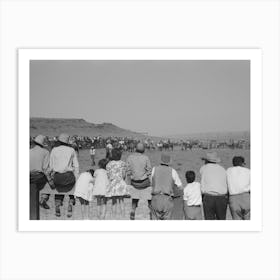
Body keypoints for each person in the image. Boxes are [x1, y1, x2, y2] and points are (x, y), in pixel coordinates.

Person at [49, 133, 79, 218]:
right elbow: (76, 165)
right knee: (72, 187)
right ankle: (70, 203)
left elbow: (51, 166)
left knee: (59, 188)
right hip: (69, 177)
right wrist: (76, 177)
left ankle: (57, 205)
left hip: (57, 177)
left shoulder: (54, 150)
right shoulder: (71, 150)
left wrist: (51, 176)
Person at [150, 153, 182, 220]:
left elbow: (150, 182)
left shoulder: (154, 169)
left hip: (155, 198)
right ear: (169, 162)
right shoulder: (173, 171)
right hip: (167, 199)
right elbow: (180, 187)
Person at [126, 142, 152, 220]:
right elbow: (149, 171)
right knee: (149, 196)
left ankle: (133, 209)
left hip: (134, 183)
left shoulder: (130, 157)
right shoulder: (146, 158)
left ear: (135, 149)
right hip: (144, 183)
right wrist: (151, 182)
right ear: (143, 150)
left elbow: (128, 171)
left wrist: (130, 181)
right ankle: (151, 210)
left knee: (135, 196)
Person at [200, 152, 228, 220]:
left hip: (208, 197)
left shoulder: (203, 168)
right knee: (221, 219)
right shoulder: (222, 169)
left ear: (206, 161)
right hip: (222, 198)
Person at [30, 135, 52, 219]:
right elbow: (45, 169)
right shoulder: (45, 152)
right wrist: (50, 180)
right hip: (38, 177)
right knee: (50, 183)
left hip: (29, 176)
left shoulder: (29, 151)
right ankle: (44, 198)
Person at [106, 148, 129, 219]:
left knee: (113, 202)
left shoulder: (109, 164)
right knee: (121, 201)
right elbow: (124, 175)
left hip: (113, 184)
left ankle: (113, 218)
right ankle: (123, 218)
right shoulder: (123, 163)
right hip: (121, 183)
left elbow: (108, 176)